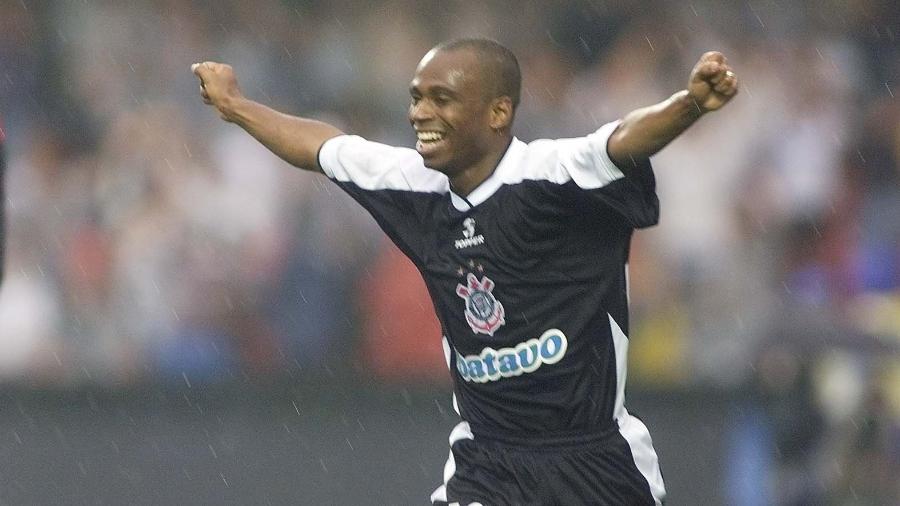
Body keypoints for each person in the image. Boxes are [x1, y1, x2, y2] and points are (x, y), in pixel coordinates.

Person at [192, 38, 738, 505]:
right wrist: (237, 106)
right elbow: (323, 147)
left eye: (441, 98)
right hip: (489, 458)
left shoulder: (551, 174)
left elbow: (623, 139)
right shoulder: (414, 183)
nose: (419, 113)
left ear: (498, 113)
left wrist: (690, 104)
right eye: (416, 97)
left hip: (594, 458)